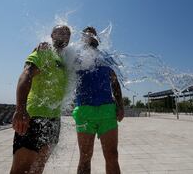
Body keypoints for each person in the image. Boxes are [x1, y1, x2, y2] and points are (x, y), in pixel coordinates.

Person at [10, 25, 71, 174]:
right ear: (52, 35)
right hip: (34, 117)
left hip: (53, 120)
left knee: (38, 168)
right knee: (22, 169)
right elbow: (26, 74)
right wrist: (21, 109)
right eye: (60, 31)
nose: (64, 34)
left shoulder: (65, 59)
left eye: (67, 33)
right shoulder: (44, 51)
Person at [73, 27, 124, 174]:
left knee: (112, 155)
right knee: (85, 157)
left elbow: (114, 82)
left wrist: (120, 106)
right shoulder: (76, 56)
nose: (90, 36)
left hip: (107, 109)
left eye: (93, 33)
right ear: (82, 39)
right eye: (86, 34)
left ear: (98, 38)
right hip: (84, 110)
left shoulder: (106, 56)